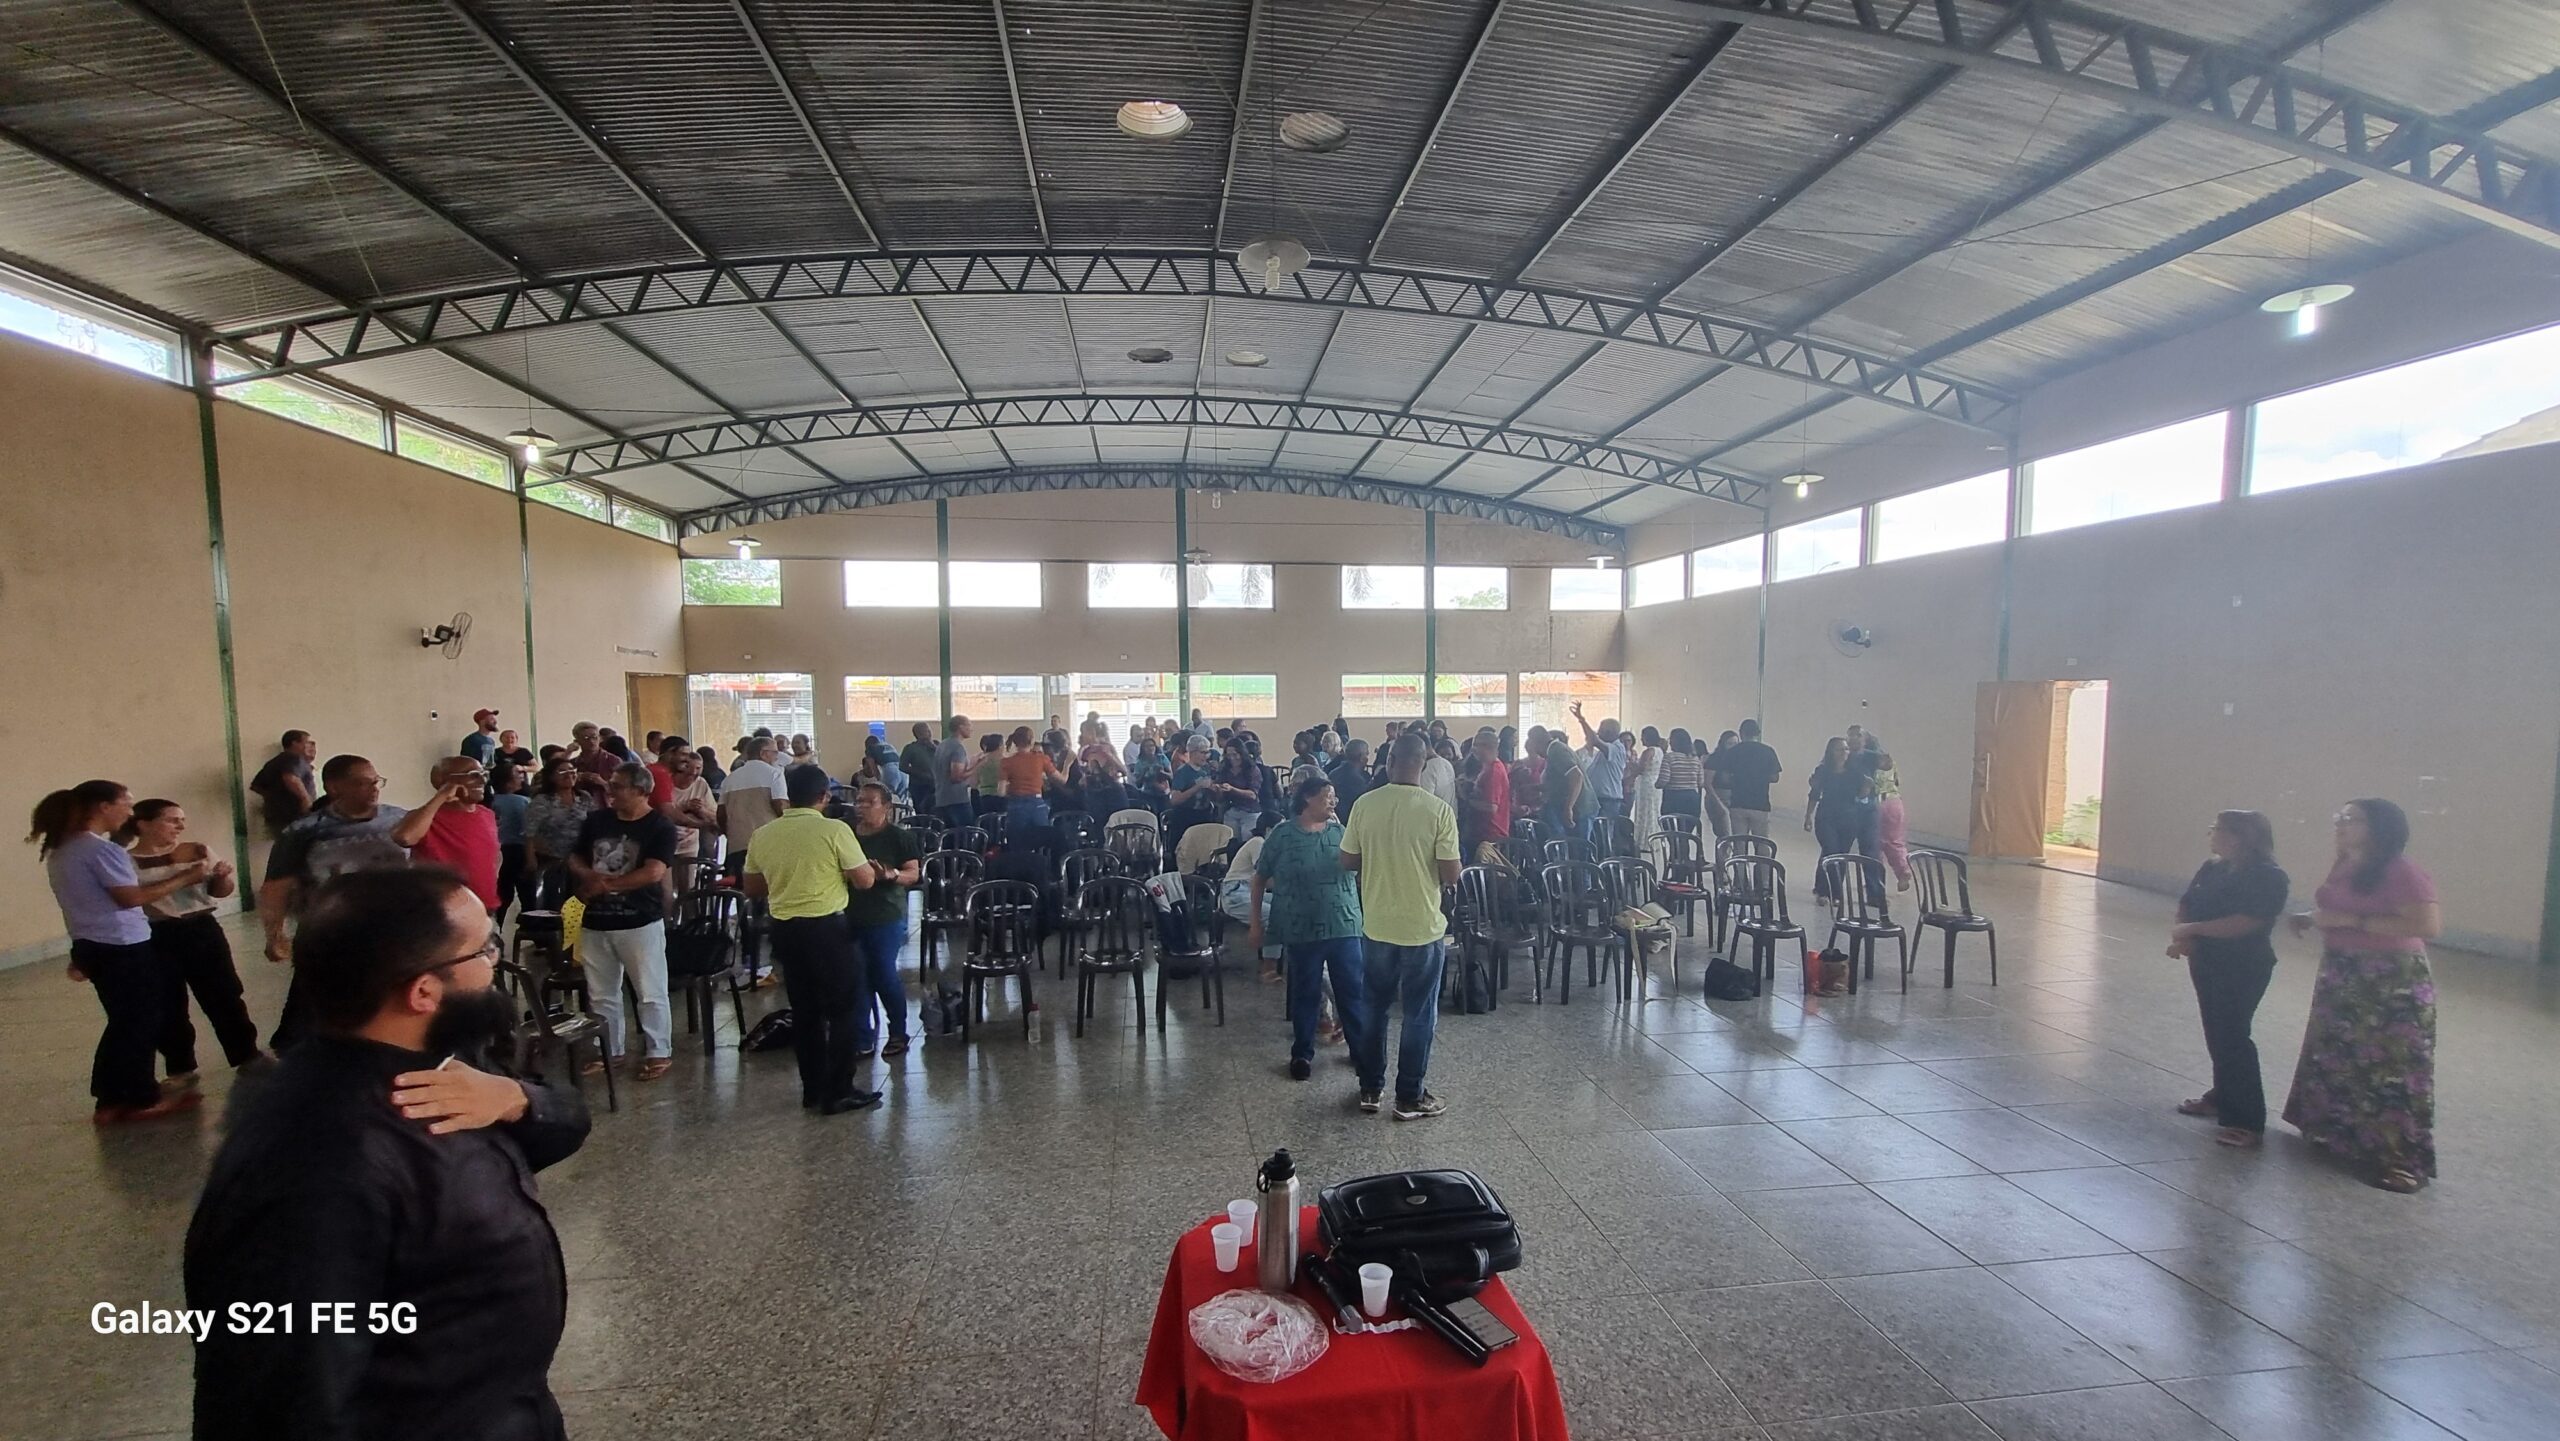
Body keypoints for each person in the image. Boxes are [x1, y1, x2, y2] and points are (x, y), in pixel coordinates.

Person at [184, 867, 590, 1441]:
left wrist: (518, 1100)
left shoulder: (436, 1063)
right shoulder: (317, 1162)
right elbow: (282, 1397)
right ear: (423, 992)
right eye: (484, 950)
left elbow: (563, 1126)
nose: (494, 963)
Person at [2283, 798, 2442, 1193]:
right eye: (2339, 818)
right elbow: (2339, 906)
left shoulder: (2402, 870)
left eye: (2351, 819)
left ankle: (2401, 1159)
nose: (2341, 825)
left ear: (2379, 828)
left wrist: (2351, 921)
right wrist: (2311, 918)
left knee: (2390, 1066)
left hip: (2390, 978)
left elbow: (2427, 925)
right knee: (2339, 1053)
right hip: (2344, 970)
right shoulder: (2347, 864)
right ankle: (2340, 1134)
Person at [32, 781, 208, 1123]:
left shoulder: (63, 849)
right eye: (126, 804)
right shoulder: (100, 850)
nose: (130, 812)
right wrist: (186, 878)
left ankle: (112, 1097)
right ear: (104, 807)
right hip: (122, 945)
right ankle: (141, 1097)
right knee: (141, 1021)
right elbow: (130, 898)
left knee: (124, 1020)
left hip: (91, 943)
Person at [261, 756, 434, 1051]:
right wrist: (274, 934)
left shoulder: (400, 820)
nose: (374, 788)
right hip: (329, 930)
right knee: (314, 1003)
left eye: (376, 781)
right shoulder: (304, 831)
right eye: (362, 783)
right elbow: (277, 886)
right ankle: (297, 1057)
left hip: (390, 929)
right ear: (334, 787)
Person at [744, 764, 882, 1113]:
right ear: (824, 796)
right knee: (843, 1009)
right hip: (826, 930)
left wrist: (787, 878)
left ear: (788, 796)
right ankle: (840, 1089)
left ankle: (813, 1089)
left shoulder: (764, 834)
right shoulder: (834, 830)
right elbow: (865, 880)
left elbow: (753, 887)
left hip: (785, 931)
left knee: (805, 1012)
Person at [1338, 733, 1462, 1121]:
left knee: (1374, 1008)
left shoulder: (1365, 804)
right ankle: (1409, 1096)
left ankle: (1370, 1088)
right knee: (1419, 1013)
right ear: (1423, 764)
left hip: (1376, 925)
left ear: (1390, 761)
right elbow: (1451, 874)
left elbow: (1347, 860)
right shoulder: (1438, 810)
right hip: (1422, 928)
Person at [2165, 810, 2289, 1149]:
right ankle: (2222, 1095)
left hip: (2243, 966)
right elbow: (2189, 903)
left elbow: (2245, 922)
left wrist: (2193, 929)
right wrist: (2185, 936)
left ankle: (2246, 1119)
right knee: (2216, 1032)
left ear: (2239, 836)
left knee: (2233, 1035)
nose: (2212, 835)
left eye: (2217, 829)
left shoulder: (2268, 876)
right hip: (2207, 961)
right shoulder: (2213, 868)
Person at [122, 798, 262, 1084]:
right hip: (156, 933)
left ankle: (247, 1054)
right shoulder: (126, 861)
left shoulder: (197, 850)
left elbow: (220, 891)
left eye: (182, 820)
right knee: (168, 1002)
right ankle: (180, 1066)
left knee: (224, 993)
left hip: (201, 928)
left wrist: (222, 878)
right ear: (144, 824)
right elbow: (134, 898)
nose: (180, 826)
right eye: (172, 820)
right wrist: (185, 878)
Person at [1252, 777, 1369, 1081]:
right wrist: (1255, 923)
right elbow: (1259, 878)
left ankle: (1360, 1051)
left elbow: (1361, 868)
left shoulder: (1341, 833)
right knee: (1306, 992)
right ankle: (1302, 1053)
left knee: (1352, 991)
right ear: (1307, 798)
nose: (1334, 802)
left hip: (1343, 923)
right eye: (1328, 796)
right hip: (1301, 926)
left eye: (1334, 797)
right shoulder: (1283, 835)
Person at [569, 765, 678, 1082]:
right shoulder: (596, 820)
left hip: (639, 921)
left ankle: (658, 1051)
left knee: (650, 991)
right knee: (601, 992)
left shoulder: (659, 826)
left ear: (641, 791)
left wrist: (606, 885)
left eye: (617, 786)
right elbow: (575, 857)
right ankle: (609, 1050)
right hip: (596, 919)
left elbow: (654, 872)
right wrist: (588, 876)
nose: (610, 791)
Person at [844, 782, 920, 1059]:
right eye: (859, 801)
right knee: (857, 976)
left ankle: (898, 1031)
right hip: (849, 914)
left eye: (870, 802)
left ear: (886, 807)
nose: (862, 807)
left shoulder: (898, 837)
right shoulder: (846, 834)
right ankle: (862, 1038)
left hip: (885, 915)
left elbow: (913, 874)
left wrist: (891, 875)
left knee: (883, 973)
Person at [408, 757, 501, 916]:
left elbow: (494, 853)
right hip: (443, 913)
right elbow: (405, 837)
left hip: (484, 909)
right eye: (473, 775)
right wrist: (442, 796)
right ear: (445, 781)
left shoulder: (487, 814)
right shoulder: (427, 818)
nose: (482, 781)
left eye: (483, 774)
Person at [1804, 737, 1865, 905]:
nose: (1843, 753)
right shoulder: (1822, 771)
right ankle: (1831, 893)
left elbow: (1861, 794)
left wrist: (1867, 788)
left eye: (1846, 749)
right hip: (1826, 817)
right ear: (1831, 752)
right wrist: (1808, 815)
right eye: (1839, 749)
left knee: (1841, 855)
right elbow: (1814, 794)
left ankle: (1823, 887)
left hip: (1848, 818)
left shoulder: (1855, 772)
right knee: (1831, 851)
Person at [718, 735, 789, 877]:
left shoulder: (730, 779)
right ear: (763, 753)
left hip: (737, 845)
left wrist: (731, 834)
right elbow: (780, 806)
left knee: (742, 885)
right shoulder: (774, 774)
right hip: (768, 843)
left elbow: (720, 814)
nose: (777, 757)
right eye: (775, 752)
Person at [522, 757, 593, 895]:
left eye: (572, 771)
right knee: (552, 898)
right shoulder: (542, 800)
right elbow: (529, 832)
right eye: (562, 771)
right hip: (550, 860)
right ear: (551, 777)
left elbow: (593, 824)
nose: (569, 775)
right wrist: (531, 859)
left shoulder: (584, 797)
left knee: (578, 899)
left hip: (579, 860)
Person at [659, 744, 719, 892]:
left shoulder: (701, 784)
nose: (693, 772)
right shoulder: (666, 782)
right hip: (665, 842)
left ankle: (690, 908)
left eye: (698, 768)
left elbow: (714, 815)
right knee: (666, 889)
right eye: (689, 768)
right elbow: (663, 812)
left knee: (688, 887)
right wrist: (685, 806)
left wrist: (701, 810)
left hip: (689, 843)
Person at [247, 729, 317, 838]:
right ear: (295, 743)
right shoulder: (293, 758)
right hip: (295, 816)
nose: (309, 746)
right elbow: (291, 778)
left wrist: (276, 800)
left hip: (279, 817)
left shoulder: (276, 761)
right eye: (307, 742)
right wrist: (305, 799)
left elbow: (256, 786)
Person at [1719, 720, 1781, 837]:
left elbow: (1724, 779)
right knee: (1761, 842)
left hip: (1738, 803)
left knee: (1739, 842)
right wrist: (1759, 778)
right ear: (1757, 733)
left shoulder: (1732, 752)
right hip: (1760, 804)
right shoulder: (1768, 751)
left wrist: (1738, 780)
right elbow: (1775, 777)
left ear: (1741, 733)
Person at [487, 759, 532, 923]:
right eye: (517, 774)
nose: (521, 777)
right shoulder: (523, 802)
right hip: (519, 851)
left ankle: (497, 925)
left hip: (496, 852)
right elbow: (529, 829)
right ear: (507, 782)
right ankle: (531, 926)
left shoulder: (489, 802)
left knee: (502, 892)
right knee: (527, 893)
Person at [1568, 702, 1630, 819]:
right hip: (1600, 798)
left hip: (1608, 800)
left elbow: (1594, 740)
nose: (1598, 734)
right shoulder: (1605, 749)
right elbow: (1592, 738)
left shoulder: (1616, 749)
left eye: (1600, 731)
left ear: (1609, 733)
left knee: (1604, 829)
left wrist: (1582, 720)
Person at [1000, 725, 1062, 833]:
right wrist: (1068, 764)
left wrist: (1014, 786)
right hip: (1037, 804)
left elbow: (1001, 792)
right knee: (1041, 837)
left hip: (1016, 806)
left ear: (1015, 741)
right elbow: (1061, 779)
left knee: (1017, 838)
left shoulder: (1006, 762)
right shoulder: (1041, 758)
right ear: (1032, 741)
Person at [1870, 744, 1912, 888]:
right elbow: (1897, 782)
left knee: (1874, 842)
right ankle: (1903, 869)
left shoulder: (1868, 762)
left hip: (1877, 803)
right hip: (1895, 803)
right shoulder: (1890, 763)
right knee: (1896, 841)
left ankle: (1876, 878)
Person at [1542, 735, 1587, 839]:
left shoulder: (1556, 750)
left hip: (1578, 808)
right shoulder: (1554, 752)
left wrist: (1568, 807)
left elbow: (1577, 776)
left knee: (1576, 844)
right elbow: (1557, 784)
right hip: (1568, 805)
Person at [1658, 726, 1704, 825]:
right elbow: (1700, 782)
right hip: (1692, 798)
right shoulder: (1695, 759)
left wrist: (1656, 784)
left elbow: (1664, 780)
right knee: (1686, 830)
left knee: (1671, 828)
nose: (1669, 742)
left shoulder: (1669, 757)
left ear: (1675, 741)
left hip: (1673, 798)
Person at [1629, 726, 1664, 842]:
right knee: (1653, 811)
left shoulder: (1648, 752)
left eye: (1642, 737)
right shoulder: (1660, 751)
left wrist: (1631, 764)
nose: (1641, 739)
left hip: (1646, 784)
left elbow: (1641, 768)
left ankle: (1643, 839)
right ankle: (1654, 838)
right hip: (1655, 784)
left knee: (1644, 811)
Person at [900, 721, 941, 816]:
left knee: (937, 811)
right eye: (925, 731)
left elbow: (944, 758)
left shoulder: (936, 745)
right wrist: (919, 773)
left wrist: (933, 746)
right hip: (919, 786)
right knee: (921, 812)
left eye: (929, 730)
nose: (929, 733)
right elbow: (902, 766)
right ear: (918, 734)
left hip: (936, 785)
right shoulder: (911, 748)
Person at [1326, 739, 1372, 819]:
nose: (1368, 758)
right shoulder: (1359, 780)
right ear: (1361, 757)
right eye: (1367, 754)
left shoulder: (1333, 773)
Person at [1420, 737, 1459, 812]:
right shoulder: (1447, 763)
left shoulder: (1429, 767)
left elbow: (1426, 801)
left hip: (1436, 815)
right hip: (1450, 815)